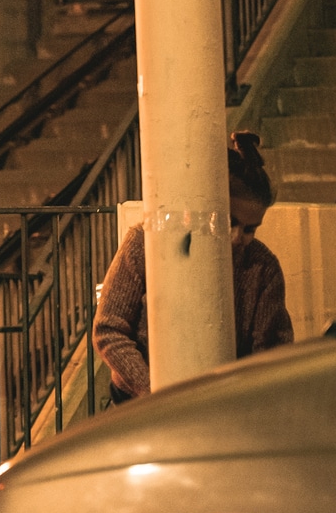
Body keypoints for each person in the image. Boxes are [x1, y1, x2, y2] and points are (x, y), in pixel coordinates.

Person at [91, 133, 294, 403]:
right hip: (138, 403)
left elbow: (271, 354)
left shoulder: (262, 267)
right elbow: (109, 329)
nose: (237, 238)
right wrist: (156, 393)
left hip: (219, 408)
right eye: (229, 221)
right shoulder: (144, 243)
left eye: (250, 229)